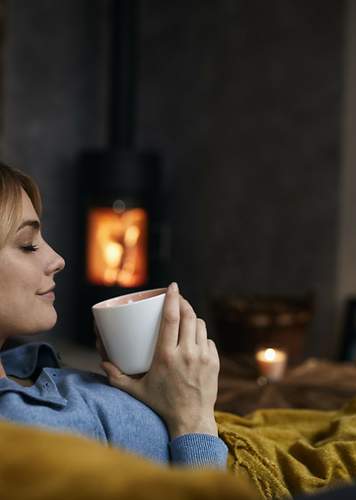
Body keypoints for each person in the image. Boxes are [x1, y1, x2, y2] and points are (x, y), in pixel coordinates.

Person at [0, 162, 228, 468]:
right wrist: (194, 419)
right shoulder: (27, 433)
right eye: (28, 245)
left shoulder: (19, 367)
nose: (57, 260)